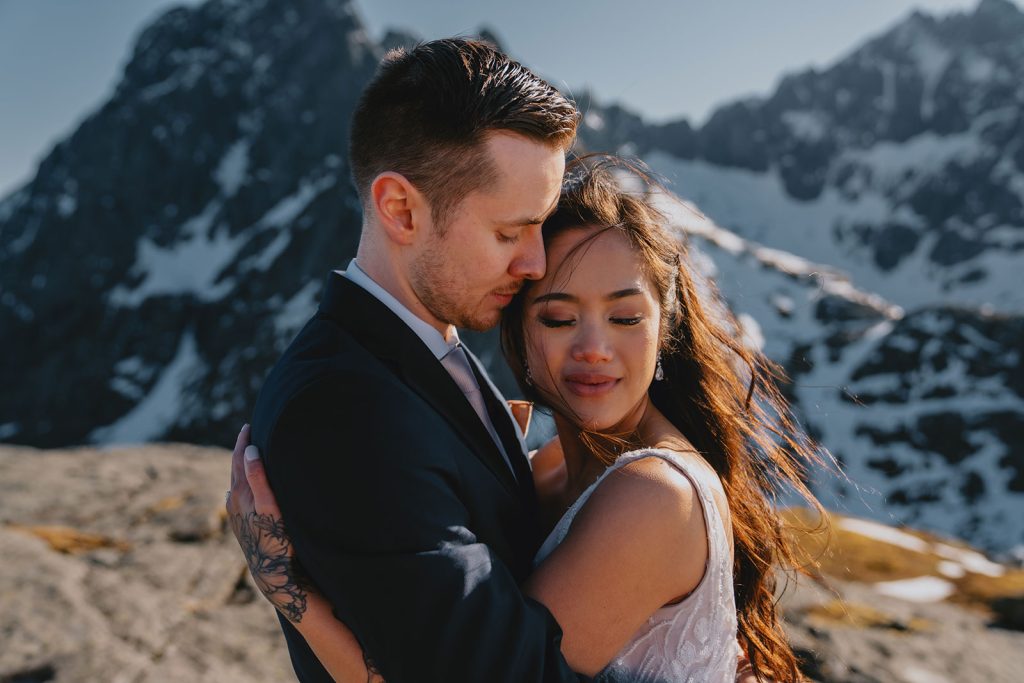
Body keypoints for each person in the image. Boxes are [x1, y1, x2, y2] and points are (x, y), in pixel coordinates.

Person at [229, 154, 829, 681]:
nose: (594, 348)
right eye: (558, 319)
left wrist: (296, 597)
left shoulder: (653, 498)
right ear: (517, 337)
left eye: (624, 319)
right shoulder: (542, 469)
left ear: (664, 329)